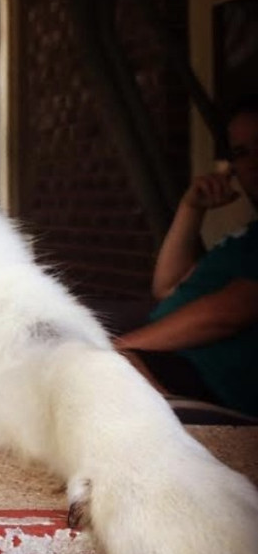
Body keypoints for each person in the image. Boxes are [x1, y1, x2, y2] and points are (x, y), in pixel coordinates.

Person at [113, 94, 258, 416]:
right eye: (241, 153)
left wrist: (117, 349)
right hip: (169, 362)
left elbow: (230, 312)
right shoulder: (246, 238)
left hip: (205, 383)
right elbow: (167, 287)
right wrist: (191, 208)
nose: (252, 162)